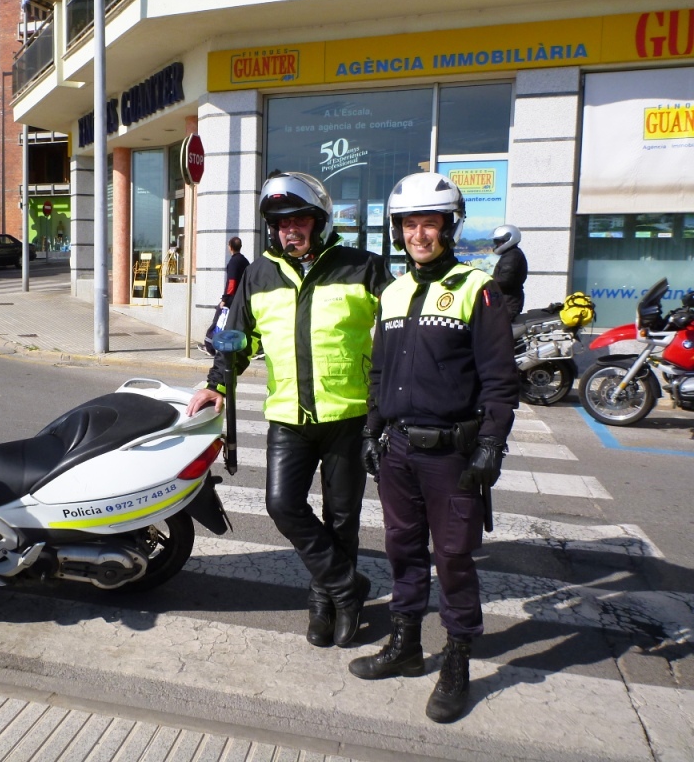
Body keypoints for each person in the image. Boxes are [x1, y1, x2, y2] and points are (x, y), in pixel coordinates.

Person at [186, 171, 391, 648]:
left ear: (319, 221)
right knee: (282, 505)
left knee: (342, 519)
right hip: (288, 416)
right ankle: (347, 587)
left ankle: (326, 602)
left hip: (348, 416)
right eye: (280, 224)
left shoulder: (363, 266)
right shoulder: (259, 274)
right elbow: (237, 338)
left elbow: (400, 329)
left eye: (298, 220)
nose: (289, 230)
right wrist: (218, 383)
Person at [348, 172, 518, 724]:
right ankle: (405, 646)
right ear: (397, 230)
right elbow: (379, 371)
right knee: (402, 550)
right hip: (398, 450)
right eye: (409, 225)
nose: (419, 234)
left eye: (431, 223)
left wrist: (491, 444)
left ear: (450, 227)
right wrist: (371, 430)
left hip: (451, 455)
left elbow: (499, 379)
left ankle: (458, 662)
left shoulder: (477, 288)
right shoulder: (392, 292)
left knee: (454, 560)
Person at [199, 236, 249, 357]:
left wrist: (225, 299)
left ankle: (209, 346)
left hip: (231, 299)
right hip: (242, 298)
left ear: (230, 247)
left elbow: (232, 282)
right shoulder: (245, 261)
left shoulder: (233, 262)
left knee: (218, 321)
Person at [491, 224, 528, 320]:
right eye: (496, 241)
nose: (498, 244)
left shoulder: (512, 256)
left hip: (509, 302)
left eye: (499, 241)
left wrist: (485, 281)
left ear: (508, 239)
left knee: (500, 327)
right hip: (506, 300)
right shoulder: (510, 254)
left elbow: (504, 280)